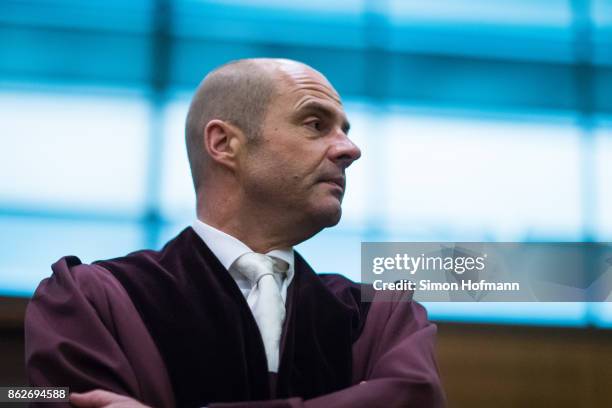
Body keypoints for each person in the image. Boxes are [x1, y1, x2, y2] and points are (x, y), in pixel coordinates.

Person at [25, 58, 446, 408]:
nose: (350, 150)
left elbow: (414, 398)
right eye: (316, 124)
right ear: (224, 143)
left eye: (345, 131)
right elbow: (35, 397)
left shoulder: (383, 314)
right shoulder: (88, 297)